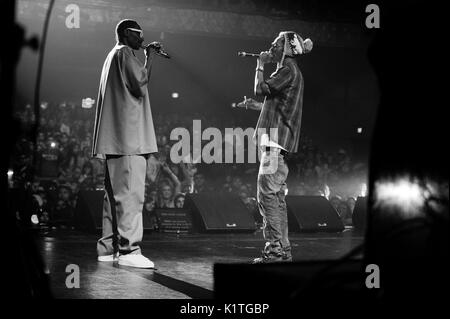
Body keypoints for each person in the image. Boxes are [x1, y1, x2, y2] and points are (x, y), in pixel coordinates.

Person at [236, 31, 312, 263]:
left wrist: (259, 64)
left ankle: (274, 253)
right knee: (276, 199)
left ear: (287, 48)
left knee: (266, 198)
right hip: (278, 146)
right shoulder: (291, 72)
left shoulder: (287, 69)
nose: (271, 45)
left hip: (273, 147)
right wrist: (257, 107)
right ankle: (283, 251)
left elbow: (261, 88)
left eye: (277, 43)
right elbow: (281, 108)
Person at [92, 19, 162, 268]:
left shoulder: (111, 56)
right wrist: (150, 56)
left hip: (116, 140)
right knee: (131, 196)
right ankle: (130, 250)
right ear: (124, 34)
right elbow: (140, 84)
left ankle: (108, 248)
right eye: (137, 35)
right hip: (130, 139)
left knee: (113, 198)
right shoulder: (124, 54)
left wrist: (144, 56)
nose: (142, 39)